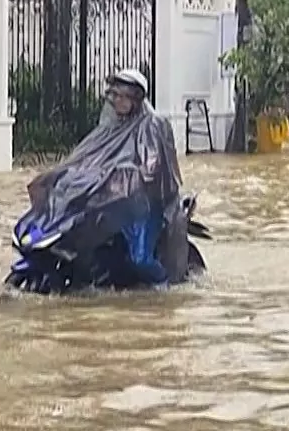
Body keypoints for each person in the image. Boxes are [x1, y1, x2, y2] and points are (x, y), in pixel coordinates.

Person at [25, 68, 188, 283]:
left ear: (136, 99)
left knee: (140, 258)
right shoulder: (110, 128)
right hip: (113, 202)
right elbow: (88, 156)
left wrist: (125, 176)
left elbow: (151, 169)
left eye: (123, 97)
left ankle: (162, 287)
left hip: (145, 205)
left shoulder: (153, 125)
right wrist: (66, 174)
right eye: (115, 96)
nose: (118, 101)